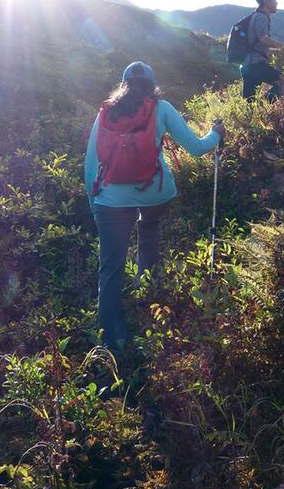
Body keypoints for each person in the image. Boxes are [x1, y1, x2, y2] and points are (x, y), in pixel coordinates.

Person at [84, 60, 225, 353]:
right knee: (148, 228)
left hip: (110, 201)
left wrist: (95, 202)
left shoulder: (106, 111)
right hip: (156, 195)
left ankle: (111, 339)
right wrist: (216, 134)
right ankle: (147, 293)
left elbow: (90, 162)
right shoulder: (161, 108)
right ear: (152, 84)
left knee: (110, 268)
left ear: (124, 84)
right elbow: (197, 149)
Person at [241, 0, 284, 101]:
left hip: (248, 65)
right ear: (266, 1)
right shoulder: (261, 16)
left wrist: (280, 51)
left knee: (250, 103)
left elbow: (259, 47)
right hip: (256, 65)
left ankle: (259, 112)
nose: (276, 2)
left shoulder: (256, 16)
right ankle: (264, 107)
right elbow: (263, 39)